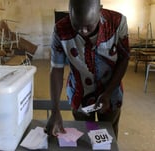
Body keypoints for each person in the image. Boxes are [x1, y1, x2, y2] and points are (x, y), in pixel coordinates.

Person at [45, 0, 130, 139]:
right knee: (85, 135)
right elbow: (56, 69)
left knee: (108, 136)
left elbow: (124, 58)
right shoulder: (60, 30)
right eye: (76, 25)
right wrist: (55, 111)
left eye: (88, 26)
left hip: (111, 92)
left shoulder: (117, 22)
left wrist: (108, 93)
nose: (83, 31)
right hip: (79, 95)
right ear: (70, 13)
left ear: (99, 10)